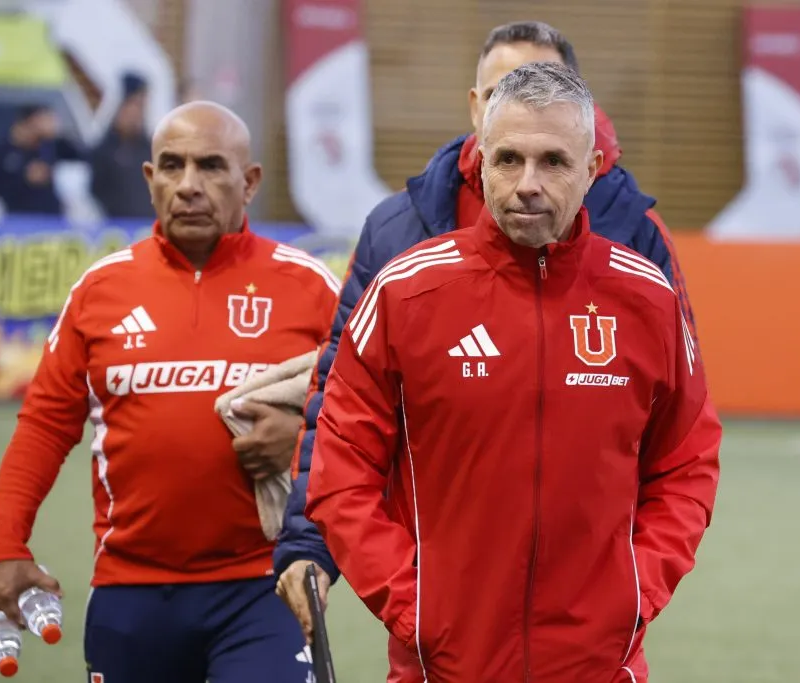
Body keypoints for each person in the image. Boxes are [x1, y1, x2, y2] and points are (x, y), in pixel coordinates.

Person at [274, 18, 698, 640]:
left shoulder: (634, 237)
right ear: (478, 106)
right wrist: (315, 542)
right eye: (505, 92)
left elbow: (681, 437)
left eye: (554, 154)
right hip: (443, 607)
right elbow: (341, 413)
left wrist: (632, 585)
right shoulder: (400, 235)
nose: (530, 176)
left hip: (587, 621)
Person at [0, 101, 340, 683]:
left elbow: (367, 421)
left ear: (250, 182)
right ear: (150, 178)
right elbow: (43, 426)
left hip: (263, 585)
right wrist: (3, 547)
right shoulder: (100, 290)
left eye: (212, 166)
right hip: (129, 591)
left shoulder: (309, 286)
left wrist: (302, 441)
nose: (189, 185)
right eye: (172, 166)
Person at [0, 104, 83, 216]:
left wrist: (57, 134)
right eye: (43, 120)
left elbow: (82, 155)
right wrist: (25, 179)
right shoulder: (2, 150)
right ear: (30, 121)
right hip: (18, 216)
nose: (49, 124)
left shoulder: (49, 145)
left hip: (50, 215)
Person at [89, 72, 156, 218]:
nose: (136, 113)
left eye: (141, 106)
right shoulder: (103, 151)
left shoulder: (151, 150)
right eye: (133, 105)